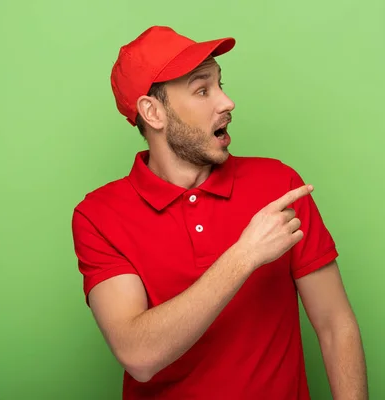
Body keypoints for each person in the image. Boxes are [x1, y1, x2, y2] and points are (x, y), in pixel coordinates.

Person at [71, 25, 368, 400]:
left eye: (220, 84)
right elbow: (138, 354)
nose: (226, 102)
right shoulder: (99, 216)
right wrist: (244, 256)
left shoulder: (279, 184)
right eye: (202, 90)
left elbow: (334, 324)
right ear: (153, 112)